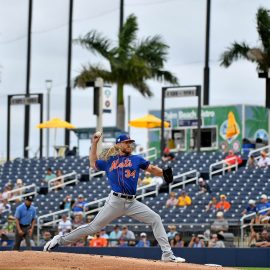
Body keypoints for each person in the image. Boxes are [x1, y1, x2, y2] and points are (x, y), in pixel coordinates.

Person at [44, 133, 185, 263]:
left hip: (132, 202)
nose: (129, 144)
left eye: (130, 142)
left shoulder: (136, 159)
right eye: (126, 142)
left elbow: (152, 169)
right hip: (115, 201)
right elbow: (93, 163)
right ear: (118, 145)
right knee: (93, 227)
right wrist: (94, 144)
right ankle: (60, 240)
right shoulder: (110, 161)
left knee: (155, 218)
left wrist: (163, 173)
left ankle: (167, 254)